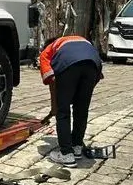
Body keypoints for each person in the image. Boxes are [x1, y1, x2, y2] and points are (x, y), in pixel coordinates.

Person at [38, 35, 103, 166]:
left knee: (63, 112)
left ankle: (66, 154)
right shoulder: (79, 40)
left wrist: (59, 102)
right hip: (93, 64)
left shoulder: (50, 48)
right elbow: (97, 75)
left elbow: (51, 79)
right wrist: (79, 95)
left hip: (68, 65)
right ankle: (77, 147)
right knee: (81, 110)